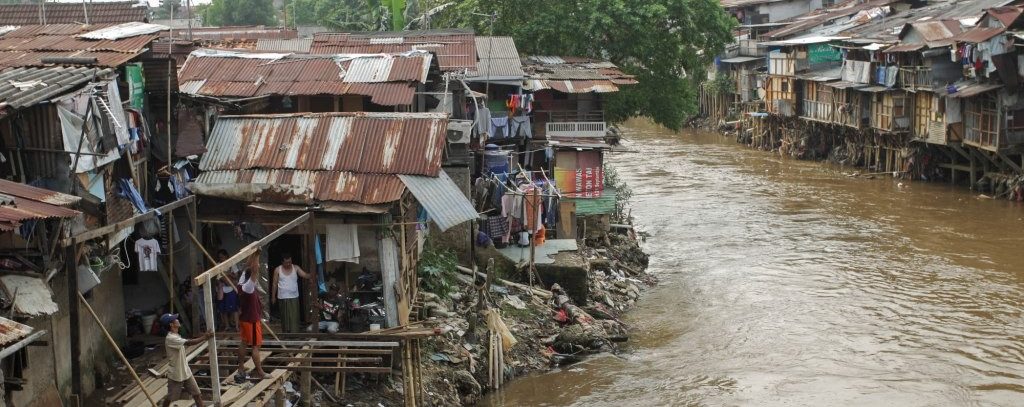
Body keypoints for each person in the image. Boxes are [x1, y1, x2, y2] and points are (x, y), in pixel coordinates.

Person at [161, 313, 210, 407]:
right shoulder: (171, 338)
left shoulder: (176, 335)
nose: (178, 320)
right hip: (176, 373)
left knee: (197, 394)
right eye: (175, 319)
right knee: (170, 398)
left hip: (185, 371)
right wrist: (205, 337)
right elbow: (190, 342)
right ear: (171, 324)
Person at [236, 253, 269, 382]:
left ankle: (240, 367)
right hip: (252, 320)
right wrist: (259, 255)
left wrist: (255, 254)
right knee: (255, 346)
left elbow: (247, 267)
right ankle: (260, 372)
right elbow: (255, 269)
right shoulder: (249, 287)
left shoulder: (241, 281)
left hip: (244, 318)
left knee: (244, 342)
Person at [271, 253, 311, 333]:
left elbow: (305, 275)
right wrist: (273, 297)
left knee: (294, 317)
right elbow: (274, 284)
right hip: (282, 297)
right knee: (285, 318)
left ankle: (294, 333)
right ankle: (286, 334)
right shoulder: (277, 269)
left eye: (290, 261)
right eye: (287, 262)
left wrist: (313, 274)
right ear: (282, 262)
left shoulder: (295, 268)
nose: (289, 264)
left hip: (294, 297)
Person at [216, 249, 240, 332]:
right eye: (220, 257)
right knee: (223, 309)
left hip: (231, 289)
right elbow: (218, 278)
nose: (221, 259)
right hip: (222, 290)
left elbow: (236, 276)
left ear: (226, 256)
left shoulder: (232, 263)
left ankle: (236, 326)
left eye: (222, 257)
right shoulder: (218, 265)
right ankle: (227, 326)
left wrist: (228, 273)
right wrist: (223, 280)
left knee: (234, 308)